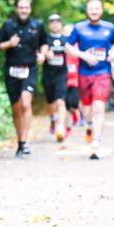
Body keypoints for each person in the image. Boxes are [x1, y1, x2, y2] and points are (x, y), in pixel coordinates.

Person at [65, 0, 114, 160]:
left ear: (101, 10)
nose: (94, 11)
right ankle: (89, 124)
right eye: (91, 8)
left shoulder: (109, 27)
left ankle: (96, 142)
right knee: (87, 109)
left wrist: (113, 51)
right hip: (84, 74)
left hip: (103, 73)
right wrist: (82, 55)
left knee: (99, 107)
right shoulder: (79, 28)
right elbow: (68, 46)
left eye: (97, 8)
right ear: (87, 11)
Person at [0, 0, 48, 157]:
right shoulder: (8, 26)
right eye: (21, 7)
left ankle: (25, 142)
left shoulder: (37, 25)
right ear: (16, 9)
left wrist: (42, 55)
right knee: (16, 109)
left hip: (29, 68)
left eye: (27, 7)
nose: (24, 10)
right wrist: (9, 44)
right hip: (12, 70)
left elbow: (44, 43)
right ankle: (19, 142)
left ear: (30, 9)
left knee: (25, 103)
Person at [42, 13, 69, 142]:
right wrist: (46, 53)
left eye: (58, 21)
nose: (55, 24)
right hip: (48, 75)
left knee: (61, 101)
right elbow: (39, 52)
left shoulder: (66, 39)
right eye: (52, 21)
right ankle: (53, 118)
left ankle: (60, 127)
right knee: (51, 103)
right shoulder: (45, 39)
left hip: (62, 75)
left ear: (61, 23)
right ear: (49, 25)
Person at [63, 23, 82, 135]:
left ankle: (75, 113)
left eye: (70, 32)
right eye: (65, 32)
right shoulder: (60, 45)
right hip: (63, 79)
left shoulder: (78, 46)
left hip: (76, 79)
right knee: (65, 105)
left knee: (73, 104)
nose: (68, 34)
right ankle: (67, 127)